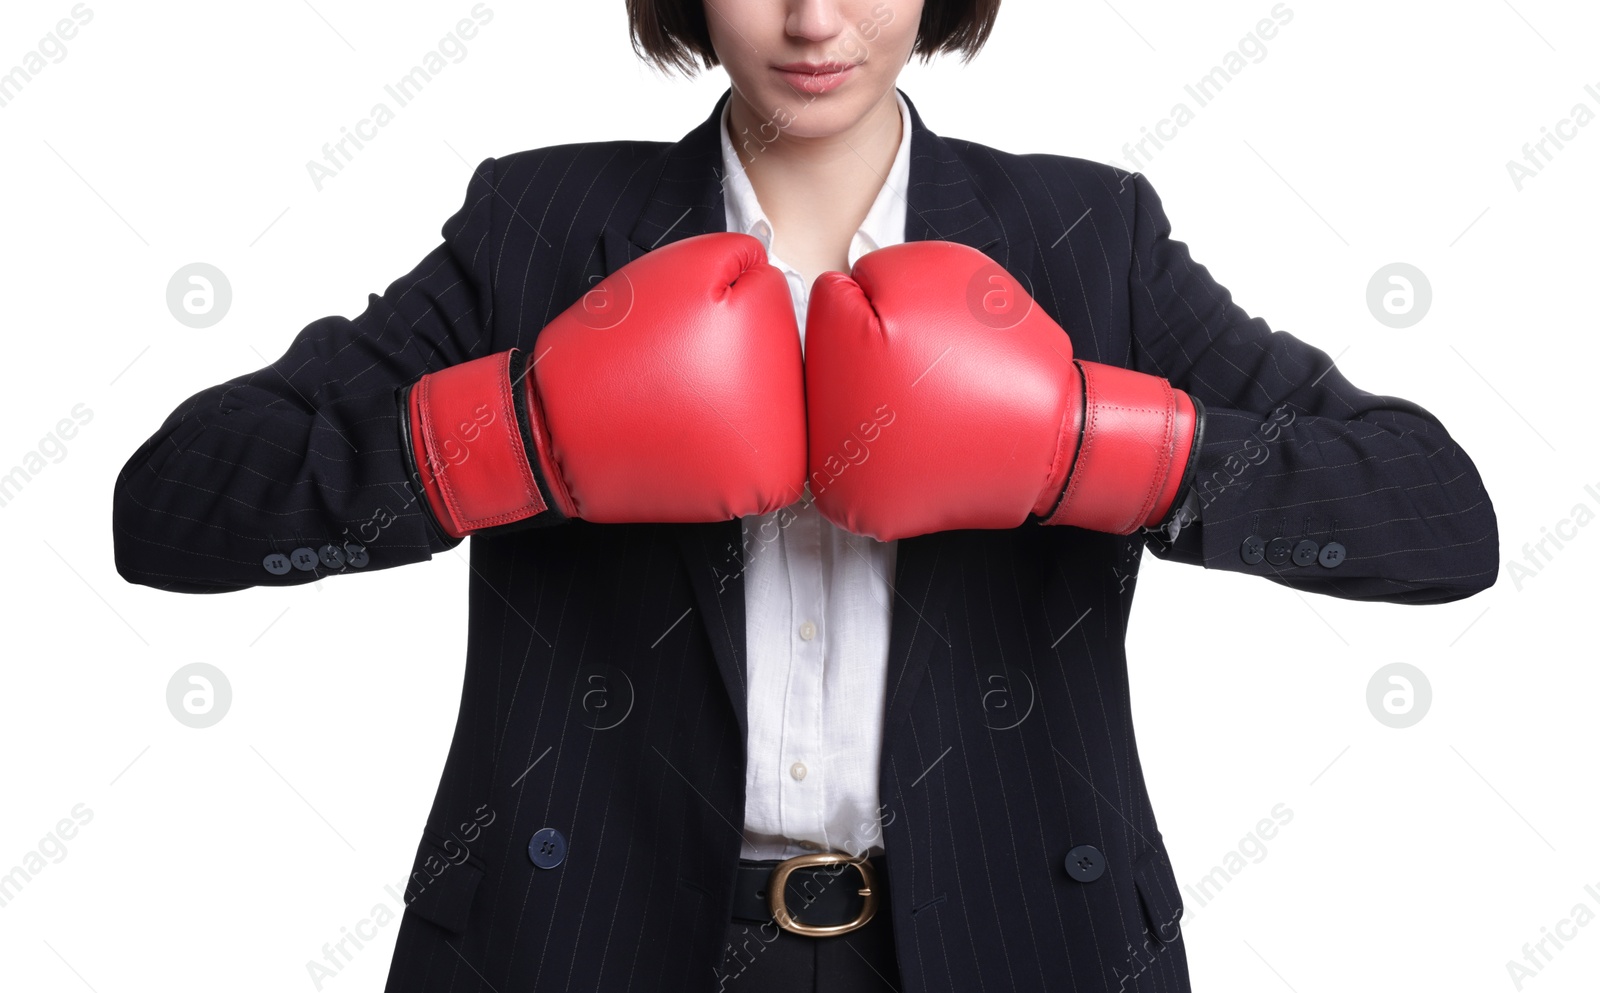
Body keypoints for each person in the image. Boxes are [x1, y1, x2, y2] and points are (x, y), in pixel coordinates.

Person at [112, 1, 1499, 990]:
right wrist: (516, 432)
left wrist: (1092, 444)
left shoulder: (1088, 240)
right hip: (587, 937)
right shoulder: (534, 231)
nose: (813, 16)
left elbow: (1439, 518)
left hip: (1016, 938)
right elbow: (171, 505)